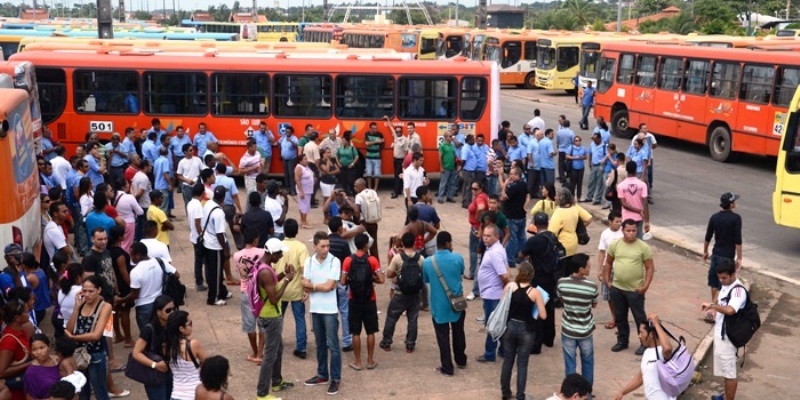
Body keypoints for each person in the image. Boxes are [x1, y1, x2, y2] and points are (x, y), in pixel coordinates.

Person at [253, 238, 296, 400]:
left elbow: (270, 283)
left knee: (278, 349)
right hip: (271, 316)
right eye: (279, 254)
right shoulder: (265, 271)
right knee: (270, 355)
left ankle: (277, 381)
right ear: (272, 254)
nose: (281, 256)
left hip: (266, 314)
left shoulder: (263, 265)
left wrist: (284, 274)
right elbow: (274, 299)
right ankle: (262, 393)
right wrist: (287, 281)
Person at [604, 219, 654, 356]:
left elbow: (649, 268)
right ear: (623, 230)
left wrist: (645, 286)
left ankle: (645, 343)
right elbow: (608, 263)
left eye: (633, 231)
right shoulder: (615, 245)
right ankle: (622, 341)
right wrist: (607, 280)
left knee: (640, 317)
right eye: (628, 231)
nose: (631, 234)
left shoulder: (643, 247)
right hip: (617, 288)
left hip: (635, 290)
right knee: (620, 316)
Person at [301, 232, 342, 395]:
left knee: (333, 345)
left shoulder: (335, 261)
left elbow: (329, 286)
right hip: (315, 309)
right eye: (323, 246)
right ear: (315, 246)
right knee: (320, 344)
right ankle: (322, 374)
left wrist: (313, 286)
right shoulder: (309, 261)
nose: (326, 249)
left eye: (328, 246)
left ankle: (336, 379)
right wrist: (320, 286)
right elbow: (306, 285)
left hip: (330, 310)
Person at [499, 262, 548, 400]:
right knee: (522, 364)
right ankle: (521, 395)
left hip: (510, 327)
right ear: (532, 275)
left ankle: (505, 392)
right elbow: (543, 315)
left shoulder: (510, 287)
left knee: (508, 360)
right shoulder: (534, 292)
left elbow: (502, 304)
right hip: (527, 330)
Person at [422, 232, 467, 376]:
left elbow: (426, 280)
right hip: (457, 303)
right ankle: (461, 360)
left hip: (438, 305)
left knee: (443, 336)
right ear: (448, 243)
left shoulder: (428, 262)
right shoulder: (458, 258)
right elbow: (460, 272)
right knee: (459, 332)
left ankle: (447, 366)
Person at [702, 258, 746, 400]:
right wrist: (712, 308)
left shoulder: (738, 291)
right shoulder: (726, 285)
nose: (721, 280)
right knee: (725, 371)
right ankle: (726, 396)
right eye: (719, 277)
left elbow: (730, 310)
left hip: (728, 338)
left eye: (724, 277)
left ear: (733, 275)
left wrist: (713, 307)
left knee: (730, 373)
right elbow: (720, 299)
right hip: (721, 334)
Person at [65, 276, 112, 400]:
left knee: (100, 391)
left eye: (91, 291)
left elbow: (96, 335)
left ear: (99, 290)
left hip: (95, 354)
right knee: (82, 391)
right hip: (79, 354)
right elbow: (69, 329)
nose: (87, 294)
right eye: (84, 291)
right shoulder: (80, 305)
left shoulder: (104, 307)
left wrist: (74, 338)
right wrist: (76, 308)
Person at [341, 233, 383, 371]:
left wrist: (351, 279)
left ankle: (357, 362)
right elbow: (381, 279)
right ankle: (370, 361)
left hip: (354, 299)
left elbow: (343, 281)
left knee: (356, 332)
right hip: (369, 299)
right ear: (366, 245)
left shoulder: (348, 260)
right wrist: (371, 279)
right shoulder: (372, 260)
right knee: (370, 331)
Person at [557, 253, 599, 395]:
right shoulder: (592, 286)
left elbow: (561, 299)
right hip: (585, 330)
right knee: (587, 362)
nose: (590, 267)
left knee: (570, 363)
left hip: (568, 329)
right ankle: (586, 394)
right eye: (588, 265)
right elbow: (594, 304)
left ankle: (571, 394)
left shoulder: (562, 283)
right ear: (581, 269)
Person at [613, 315, 674, 400]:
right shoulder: (647, 352)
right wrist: (622, 392)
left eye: (641, 332)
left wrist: (656, 324)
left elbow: (668, 348)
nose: (639, 336)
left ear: (651, 335)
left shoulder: (661, 352)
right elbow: (640, 377)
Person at [381, 232, 424, 353]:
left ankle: (386, 342)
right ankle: (410, 344)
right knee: (412, 319)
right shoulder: (420, 258)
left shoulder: (398, 258)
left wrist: (398, 275)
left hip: (400, 293)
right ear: (414, 243)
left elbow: (389, 274)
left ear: (403, 243)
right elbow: (423, 273)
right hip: (415, 294)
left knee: (392, 317)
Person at [703, 192, 743, 322]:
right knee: (724, 285)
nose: (735, 203)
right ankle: (715, 310)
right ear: (730, 204)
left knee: (715, 283)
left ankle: (713, 310)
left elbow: (708, 236)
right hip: (727, 257)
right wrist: (739, 258)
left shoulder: (714, 217)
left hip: (716, 255)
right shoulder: (736, 219)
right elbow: (738, 240)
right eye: (733, 201)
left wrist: (705, 251)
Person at [123, 242, 178, 332]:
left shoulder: (135, 272)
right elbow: (176, 274)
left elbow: (134, 295)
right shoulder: (160, 261)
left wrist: (121, 300)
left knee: (147, 335)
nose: (131, 257)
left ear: (138, 255)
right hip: (161, 302)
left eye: (131, 255)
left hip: (144, 307)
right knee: (163, 331)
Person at [274, 219, 310, 360]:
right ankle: (301, 348)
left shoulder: (278, 245)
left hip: (280, 290)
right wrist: (306, 288)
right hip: (296, 290)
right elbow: (304, 269)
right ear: (297, 231)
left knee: (278, 318)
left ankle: (276, 343)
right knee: (300, 318)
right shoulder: (301, 247)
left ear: (284, 231)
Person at [476, 224, 510, 363]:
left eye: (489, 236)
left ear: (497, 236)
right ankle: (504, 349)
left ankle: (490, 353)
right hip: (491, 292)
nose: (485, 238)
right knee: (498, 323)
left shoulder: (495, 253)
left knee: (492, 325)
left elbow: (503, 274)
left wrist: (506, 287)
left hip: (493, 294)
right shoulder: (495, 249)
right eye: (484, 235)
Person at [130, 295, 174, 400]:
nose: (172, 312)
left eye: (174, 309)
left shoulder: (171, 325)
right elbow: (136, 353)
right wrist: (155, 365)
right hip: (155, 374)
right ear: (158, 312)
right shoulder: (149, 329)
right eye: (168, 310)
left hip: (170, 371)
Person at [164, 310, 207, 400]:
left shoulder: (166, 347)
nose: (191, 326)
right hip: (195, 394)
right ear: (181, 329)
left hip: (176, 395)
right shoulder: (193, 345)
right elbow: (208, 364)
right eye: (190, 323)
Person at [0, 294, 33, 400]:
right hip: (16, 393)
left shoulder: (22, 331)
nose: (28, 314)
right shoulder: (9, 341)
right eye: (25, 312)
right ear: (17, 317)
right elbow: (2, 371)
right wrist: (29, 364)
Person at [202, 186, 232, 306]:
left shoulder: (208, 203)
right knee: (216, 273)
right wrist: (225, 249)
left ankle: (222, 291)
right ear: (223, 197)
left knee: (213, 271)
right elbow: (220, 234)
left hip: (207, 242)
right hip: (215, 246)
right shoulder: (219, 212)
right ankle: (214, 298)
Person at [108, 226, 134, 348]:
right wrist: (131, 285)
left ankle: (117, 334)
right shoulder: (120, 254)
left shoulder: (109, 251)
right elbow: (123, 272)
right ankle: (128, 339)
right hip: (122, 285)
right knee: (125, 311)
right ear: (119, 237)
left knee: (114, 310)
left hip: (112, 284)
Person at [597, 210, 624, 330]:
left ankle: (621, 318)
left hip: (621, 269)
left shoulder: (624, 233)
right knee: (609, 296)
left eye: (620, 221)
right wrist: (599, 270)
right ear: (610, 222)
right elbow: (602, 252)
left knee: (622, 295)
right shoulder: (605, 234)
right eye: (617, 221)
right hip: (608, 268)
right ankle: (615, 317)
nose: (619, 224)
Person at [549, 187, 593, 257]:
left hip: (562, 243)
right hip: (573, 240)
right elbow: (588, 219)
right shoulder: (575, 207)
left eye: (556, 195)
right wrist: (579, 227)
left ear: (561, 198)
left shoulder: (559, 212)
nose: (555, 197)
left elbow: (552, 232)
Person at [499, 166, 529, 268]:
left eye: (512, 174)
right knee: (522, 237)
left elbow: (503, 197)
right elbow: (528, 195)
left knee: (512, 238)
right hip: (521, 215)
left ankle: (510, 260)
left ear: (518, 175)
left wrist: (505, 185)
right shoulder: (523, 184)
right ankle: (522, 257)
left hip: (513, 217)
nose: (510, 176)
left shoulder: (515, 187)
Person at [465, 181, 488, 297]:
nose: (473, 191)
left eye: (475, 189)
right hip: (478, 227)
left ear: (480, 189)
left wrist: (478, 218)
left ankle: (473, 273)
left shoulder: (480, 198)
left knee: (474, 251)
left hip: (476, 227)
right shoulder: (483, 196)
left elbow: (481, 207)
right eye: (472, 188)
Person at [617, 161, 649, 239]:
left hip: (626, 218)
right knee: (638, 242)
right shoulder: (642, 185)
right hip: (639, 217)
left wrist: (638, 210)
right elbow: (645, 203)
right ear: (636, 170)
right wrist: (647, 221)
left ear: (626, 170)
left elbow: (624, 204)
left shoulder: (621, 186)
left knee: (627, 241)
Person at [354, 179, 382, 262]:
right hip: (374, 222)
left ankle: (366, 265)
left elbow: (357, 211)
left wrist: (358, 221)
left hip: (364, 223)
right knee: (374, 246)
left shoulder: (358, 196)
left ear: (361, 185)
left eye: (356, 186)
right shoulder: (373, 192)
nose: (354, 188)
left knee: (364, 246)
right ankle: (377, 267)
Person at [186, 183, 207, 291]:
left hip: (194, 236)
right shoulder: (198, 205)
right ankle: (199, 282)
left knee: (198, 259)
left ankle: (200, 280)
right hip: (198, 237)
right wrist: (202, 235)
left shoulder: (190, 203)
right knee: (200, 260)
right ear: (202, 193)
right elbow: (197, 223)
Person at [584, 132, 607, 205]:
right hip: (594, 165)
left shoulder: (604, 146)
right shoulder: (592, 144)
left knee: (600, 183)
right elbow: (590, 153)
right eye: (593, 139)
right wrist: (589, 162)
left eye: (595, 139)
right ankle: (589, 196)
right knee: (591, 181)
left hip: (601, 165)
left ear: (599, 138)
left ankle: (598, 198)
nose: (594, 140)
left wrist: (603, 165)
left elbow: (607, 156)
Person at [388, 119, 409, 199]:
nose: (398, 133)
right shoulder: (395, 137)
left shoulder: (405, 140)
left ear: (402, 132)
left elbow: (406, 151)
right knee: (397, 176)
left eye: (399, 131)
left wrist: (404, 162)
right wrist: (387, 118)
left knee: (397, 176)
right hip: (395, 159)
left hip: (401, 160)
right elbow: (390, 127)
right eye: (397, 131)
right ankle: (399, 190)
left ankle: (395, 193)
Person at [294, 154, 315, 229]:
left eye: (306, 159)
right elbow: (297, 180)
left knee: (305, 205)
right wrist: (301, 191)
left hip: (308, 189)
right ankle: (304, 221)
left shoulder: (306, 167)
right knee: (304, 206)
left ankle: (302, 220)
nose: (306, 160)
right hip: (303, 190)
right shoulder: (299, 168)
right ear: (300, 161)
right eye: (305, 159)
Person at [438, 130, 458, 203]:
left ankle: (450, 197)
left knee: (452, 183)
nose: (451, 138)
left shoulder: (452, 146)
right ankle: (440, 197)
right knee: (443, 183)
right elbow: (440, 157)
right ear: (446, 137)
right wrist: (441, 167)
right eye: (450, 136)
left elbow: (454, 156)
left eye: (452, 136)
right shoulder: (442, 146)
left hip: (452, 167)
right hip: (445, 167)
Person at [566, 136, 588, 201]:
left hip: (581, 167)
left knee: (579, 183)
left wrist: (582, 157)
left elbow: (585, 156)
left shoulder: (583, 148)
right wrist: (575, 158)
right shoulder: (571, 148)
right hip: (573, 167)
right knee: (573, 183)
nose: (577, 142)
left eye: (579, 140)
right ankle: (572, 196)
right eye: (576, 141)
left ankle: (579, 197)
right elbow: (567, 156)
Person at [319, 148, 340, 212]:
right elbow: (326, 170)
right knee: (327, 198)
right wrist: (328, 161)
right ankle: (326, 213)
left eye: (330, 152)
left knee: (333, 198)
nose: (329, 154)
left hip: (333, 182)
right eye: (327, 153)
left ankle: (331, 212)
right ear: (323, 154)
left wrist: (329, 173)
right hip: (325, 183)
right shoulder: (321, 162)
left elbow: (338, 170)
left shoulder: (332, 160)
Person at [279, 126, 299, 195]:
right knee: (286, 174)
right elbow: (278, 143)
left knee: (291, 174)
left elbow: (297, 146)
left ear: (291, 132)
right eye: (286, 131)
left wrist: (291, 141)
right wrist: (280, 153)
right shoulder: (283, 138)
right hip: (284, 158)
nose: (287, 133)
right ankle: (287, 189)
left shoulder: (294, 138)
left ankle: (293, 190)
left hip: (292, 158)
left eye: (289, 131)